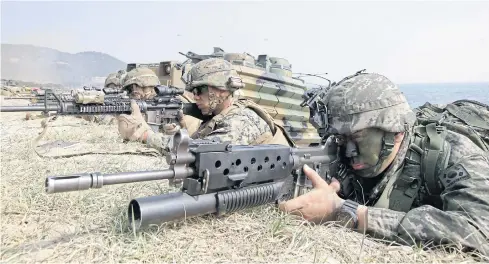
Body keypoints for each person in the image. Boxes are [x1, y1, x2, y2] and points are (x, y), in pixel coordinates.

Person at [279, 72, 489, 258]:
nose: (349, 151)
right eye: (341, 139)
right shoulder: (342, 153)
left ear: (396, 133)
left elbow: (479, 232)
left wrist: (349, 213)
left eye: (358, 137)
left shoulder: (455, 153)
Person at [117, 58, 294, 152]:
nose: (195, 97)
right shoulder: (219, 115)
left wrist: (145, 134)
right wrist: (183, 131)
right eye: (193, 92)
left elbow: (195, 152)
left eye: (200, 90)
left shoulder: (240, 121)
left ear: (223, 90)